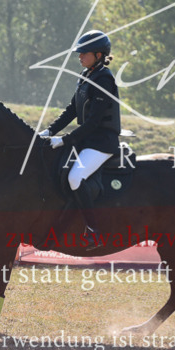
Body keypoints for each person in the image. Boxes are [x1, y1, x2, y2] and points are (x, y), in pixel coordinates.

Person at [39, 30, 120, 238]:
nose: (80, 56)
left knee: (75, 177)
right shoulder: (86, 76)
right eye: (80, 53)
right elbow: (72, 110)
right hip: (87, 140)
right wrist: (49, 131)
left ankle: (93, 230)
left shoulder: (104, 79)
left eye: (84, 53)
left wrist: (64, 140)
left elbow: (94, 121)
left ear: (99, 55)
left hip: (102, 142)